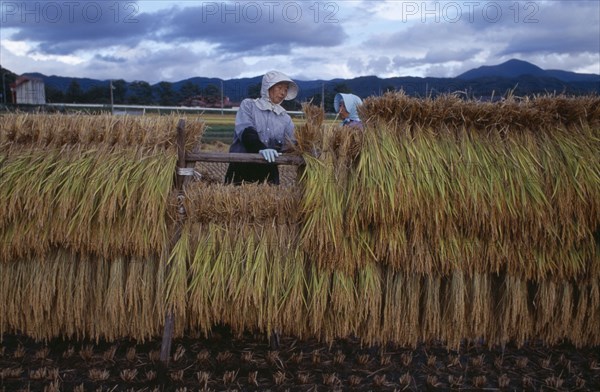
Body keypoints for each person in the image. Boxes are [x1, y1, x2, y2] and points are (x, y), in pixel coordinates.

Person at [224, 70, 298, 185]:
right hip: (242, 167)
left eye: (285, 89)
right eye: (279, 87)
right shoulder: (249, 106)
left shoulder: (285, 118)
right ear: (267, 87)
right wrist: (260, 147)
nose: (283, 93)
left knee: (268, 202)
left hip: (268, 172)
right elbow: (246, 131)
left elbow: (291, 144)